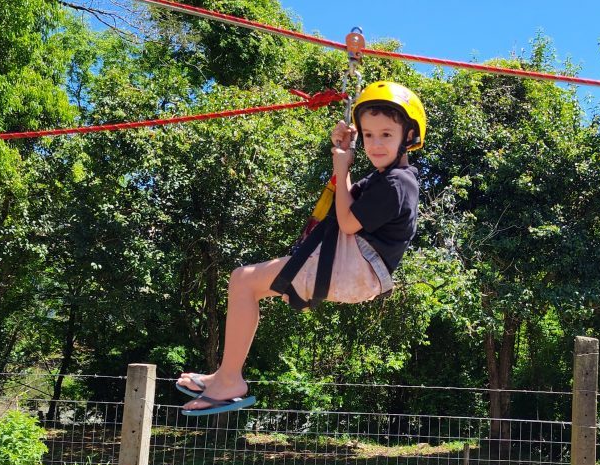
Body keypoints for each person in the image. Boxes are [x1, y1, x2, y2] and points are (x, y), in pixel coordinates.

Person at [176, 81, 425, 415]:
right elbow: (347, 203)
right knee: (245, 283)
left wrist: (341, 168)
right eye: (368, 135)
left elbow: (348, 222)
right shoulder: (386, 178)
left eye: (386, 135)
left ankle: (230, 379)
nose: (375, 144)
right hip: (355, 266)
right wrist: (343, 157)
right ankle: (225, 375)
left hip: (358, 267)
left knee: (243, 282)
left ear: (408, 137)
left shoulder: (397, 184)